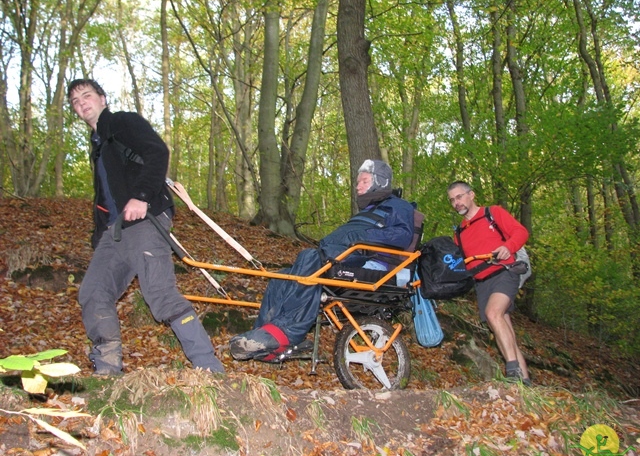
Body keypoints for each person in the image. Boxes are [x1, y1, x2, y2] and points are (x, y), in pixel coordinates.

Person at [67, 79, 225, 375]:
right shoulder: (98, 145)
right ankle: (107, 371)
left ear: (102, 98)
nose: (81, 103)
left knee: (161, 296)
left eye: (86, 96)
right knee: (93, 292)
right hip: (115, 233)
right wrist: (99, 235)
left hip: (144, 220)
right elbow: (106, 195)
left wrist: (141, 197)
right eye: (75, 101)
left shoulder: (122, 123)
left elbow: (157, 152)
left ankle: (210, 369)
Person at [230, 160, 415, 361]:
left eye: (364, 181)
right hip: (342, 256)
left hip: (368, 262)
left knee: (309, 257)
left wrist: (361, 238)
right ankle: (264, 336)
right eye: (357, 182)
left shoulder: (398, 205)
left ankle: (287, 332)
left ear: (380, 181)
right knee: (281, 277)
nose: (358, 186)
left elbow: (403, 236)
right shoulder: (367, 212)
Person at [447, 181, 531, 385]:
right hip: (482, 283)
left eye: (459, 197)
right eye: (452, 200)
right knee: (504, 330)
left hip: (504, 271)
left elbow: (521, 232)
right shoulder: (459, 233)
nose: (456, 203)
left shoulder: (492, 213)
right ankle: (526, 383)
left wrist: (508, 247)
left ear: (471, 194)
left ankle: (512, 373)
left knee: (494, 314)